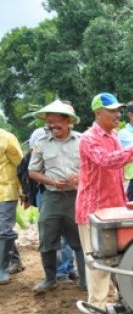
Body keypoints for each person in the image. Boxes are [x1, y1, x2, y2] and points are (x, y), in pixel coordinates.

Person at [77, 92, 133, 309]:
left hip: (114, 207)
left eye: (118, 110)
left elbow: (117, 171)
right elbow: (105, 161)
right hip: (93, 210)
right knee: (97, 260)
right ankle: (97, 305)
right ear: (98, 113)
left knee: (114, 256)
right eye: (112, 111)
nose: (117, 114)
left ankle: (114, 299)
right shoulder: (89, 138)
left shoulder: (114, 135)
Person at [28, 100, 85, 293]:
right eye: (49, 122)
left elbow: (93, 167)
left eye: (56, 121)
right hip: (51, 198)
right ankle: (50, 279)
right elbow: (33, 171)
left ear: (69, 121)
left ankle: (85, 281)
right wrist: (52, 182)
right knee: (47, 237)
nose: (52, 126)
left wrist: (80, 176)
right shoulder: (41, 144)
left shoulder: (82, 141)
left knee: (80, 241)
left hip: (76, 198)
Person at [0, 128, 23, 285]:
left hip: (5, 191)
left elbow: (21, 166)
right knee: (2, 230)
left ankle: (2, 269)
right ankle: (15, 260)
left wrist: (25, 190)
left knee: (4, 231)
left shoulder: (7, 138)